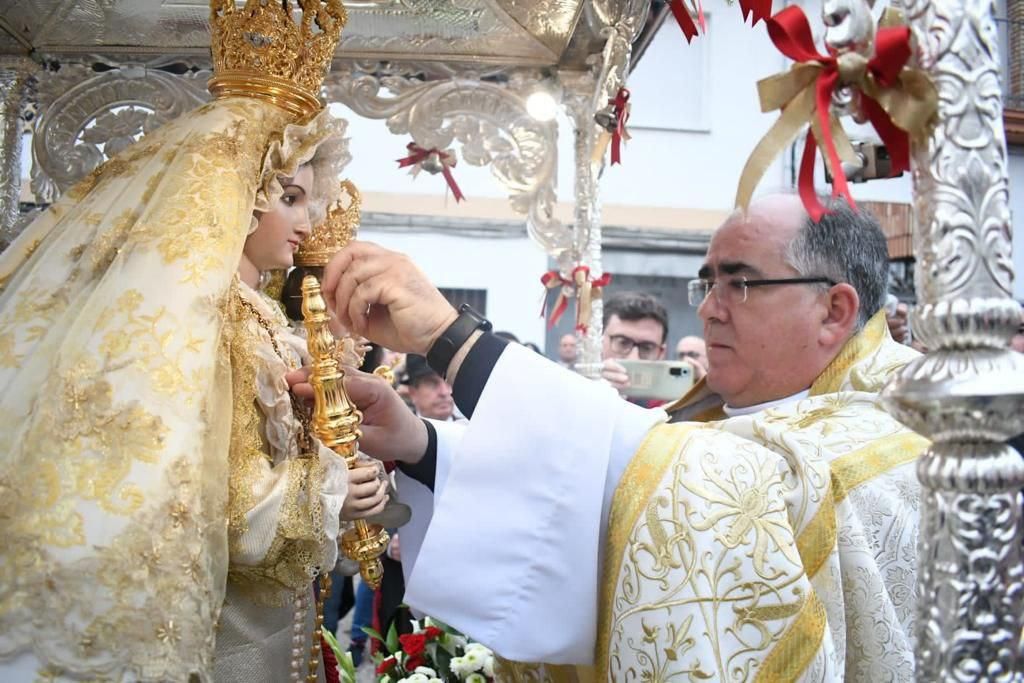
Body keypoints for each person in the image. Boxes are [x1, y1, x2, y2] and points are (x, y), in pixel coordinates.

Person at [307, 193, 925, 680]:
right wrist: (420, 443)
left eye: (738, 283)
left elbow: (702, 479)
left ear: (835, 311)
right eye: (705, 283)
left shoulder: (891, 434)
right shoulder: (730, 418)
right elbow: (610, 491)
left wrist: (454, 339)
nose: (709, 309)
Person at [0, 1, 386, 680]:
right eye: (290, 196)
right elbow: (215, 503)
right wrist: (331, 490)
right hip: (225, 633)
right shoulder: (206, 320)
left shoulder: (254, 313)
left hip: (276, 628)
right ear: (235, 190)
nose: (309, 220)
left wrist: (336, 469)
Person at [598, 292, 669, 396]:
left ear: (661, 354)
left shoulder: (668, 408)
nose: (633, 358)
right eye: (622, 343)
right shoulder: (574, 392)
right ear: (599, 342)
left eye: (647, 348)